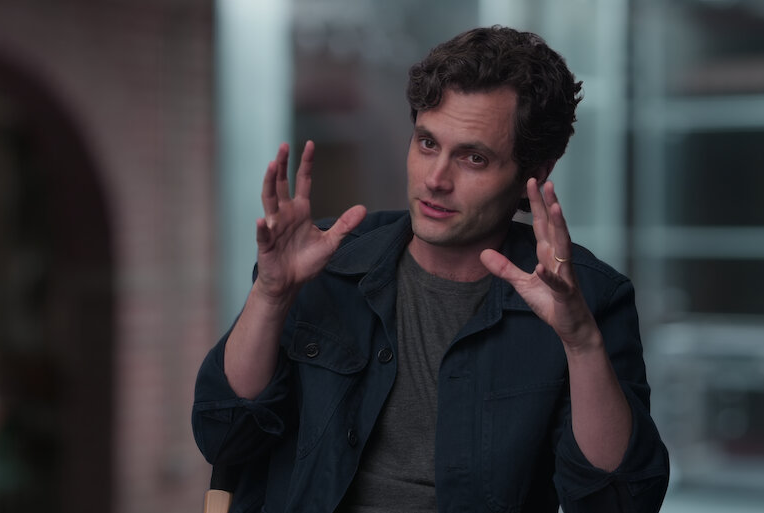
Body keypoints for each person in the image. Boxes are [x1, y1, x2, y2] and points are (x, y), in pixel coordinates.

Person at [193, 25, 669, 513]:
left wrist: (581, 343)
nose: (436, 179)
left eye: (474, 158)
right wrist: (271, 295)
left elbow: (619, 504)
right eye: (426, 143)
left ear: (536, 173)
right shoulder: (324, 260)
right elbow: (223, 437)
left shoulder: (588, 298)